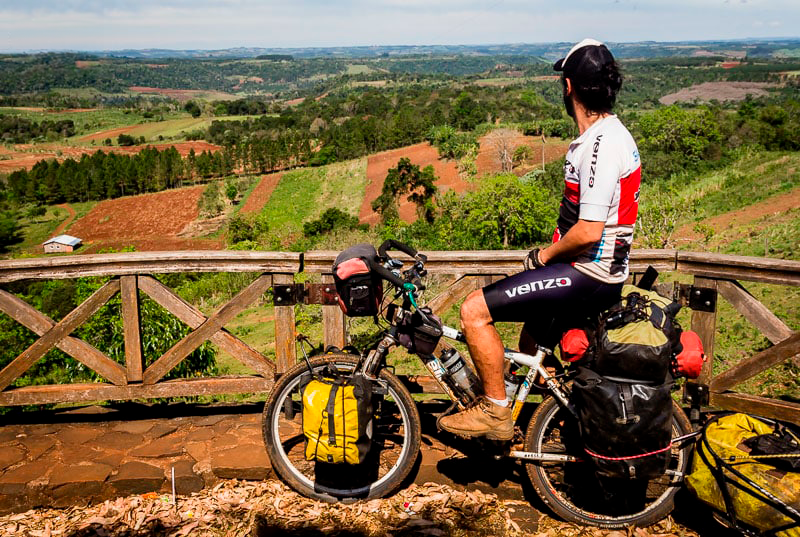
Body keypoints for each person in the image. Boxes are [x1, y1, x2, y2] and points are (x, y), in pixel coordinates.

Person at [438, 39, 641, 441]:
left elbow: (589, 231)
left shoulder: (600, 146)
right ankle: (549, 417)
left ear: (569, 87)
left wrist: (543, 256)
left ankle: (495, 413)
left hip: (590, 272)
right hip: (597, 272)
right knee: (529, 340)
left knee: (474, 310)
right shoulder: (612, 135)